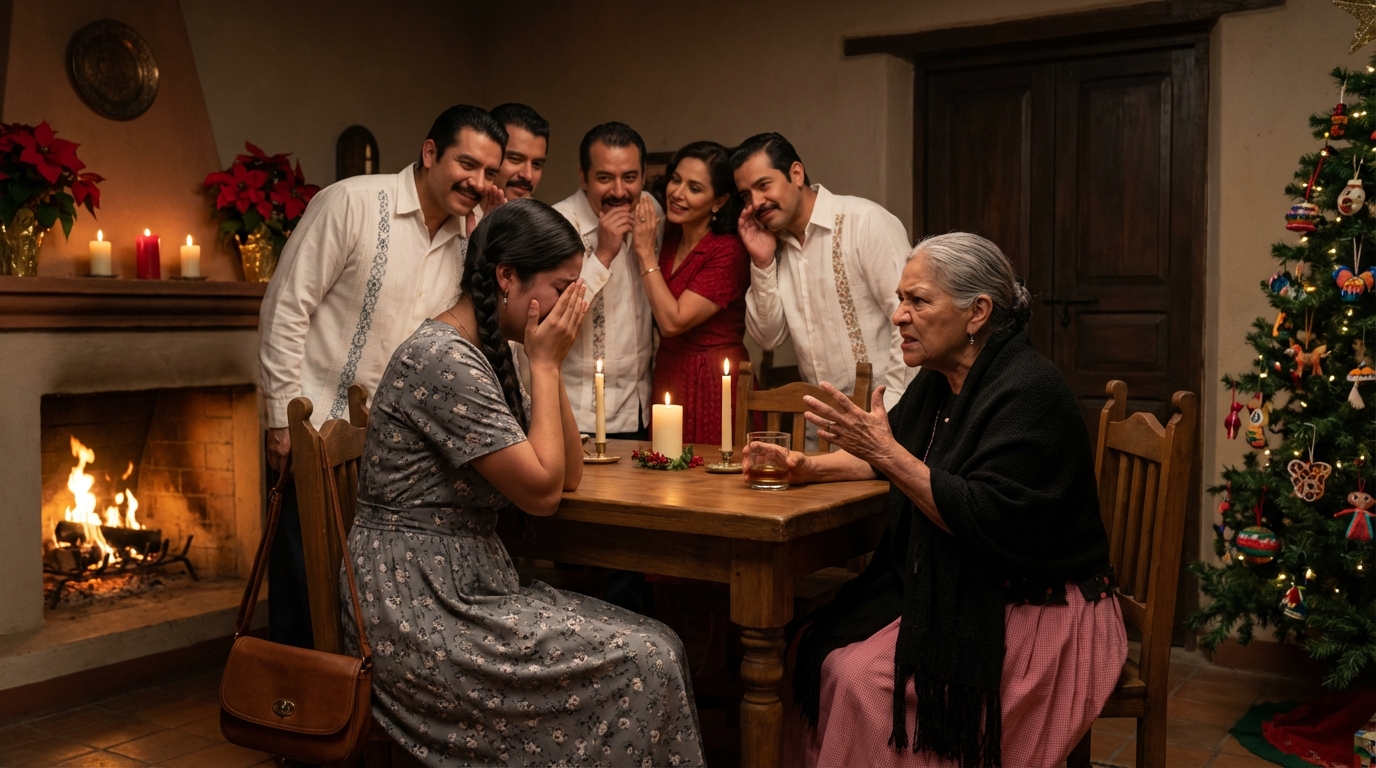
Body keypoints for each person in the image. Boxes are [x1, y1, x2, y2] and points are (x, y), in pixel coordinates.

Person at [341, 198, 704, 767]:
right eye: (562, 288)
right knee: (646, 659)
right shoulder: (442, 359)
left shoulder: (492, 349)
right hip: (417, 606)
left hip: (468, 585)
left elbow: (571, 475)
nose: (571, 306)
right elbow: (541, 495)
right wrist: (547, 364)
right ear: (506, 277)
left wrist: (542, 362)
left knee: (663, 644)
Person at [744, 233, 1127, 768]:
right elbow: (888, 456)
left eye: (917, 301)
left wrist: (882, 449)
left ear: (978, 313)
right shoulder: (939, 380)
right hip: (978, 581)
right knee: (811, 643)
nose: (899, 316)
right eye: (901, 299)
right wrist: (808, 468)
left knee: (856, 678)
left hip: (1043, 607)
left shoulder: (1029, 390)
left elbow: (978, 513)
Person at [258, 105, 506, 648]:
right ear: (429, 152)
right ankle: (299, 713)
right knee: (305, 591)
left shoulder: (470, 242)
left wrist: (490, 235)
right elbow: (285, 307)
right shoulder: (351, 202)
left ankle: (359, 708)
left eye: (490, 172)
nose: (478, 181)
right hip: (314, 432)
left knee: (363, 595)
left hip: (394, 460)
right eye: (467, 163)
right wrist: (281, 422)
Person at [731, 133, 915, 424]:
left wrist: (889, 414)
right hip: (820, 430)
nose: (755, 202)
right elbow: (768, 338)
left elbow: (910, 321)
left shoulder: (863, 221)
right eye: (745, 195)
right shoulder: (775, 248)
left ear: (796, 173)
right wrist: (763, 262)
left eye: (763, 185)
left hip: (888, 419)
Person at [630, 141, 749, 445]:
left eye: (694, 188)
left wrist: (644, 254)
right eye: (676, 180)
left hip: (713, 379)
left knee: (711, 482)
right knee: (663, 474)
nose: (678, 193)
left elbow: (672, 322)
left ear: (719, 201)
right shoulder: (670, 236)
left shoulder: (727, 251)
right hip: (669, 370)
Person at [553, 122, 662, 441]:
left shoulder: (651, 212)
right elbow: (549, 320)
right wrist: (601, 253)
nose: (619, 191)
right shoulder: (556, 224)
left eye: (629, 177)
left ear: (643, 175)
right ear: (583, 178)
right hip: (577, 416)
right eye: (604, 178)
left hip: (641, 410)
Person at [491, 102, 548, 200]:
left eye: (536, 164)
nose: (528, 176)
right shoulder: (459, 214)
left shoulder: (543, 215)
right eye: (515, 159)